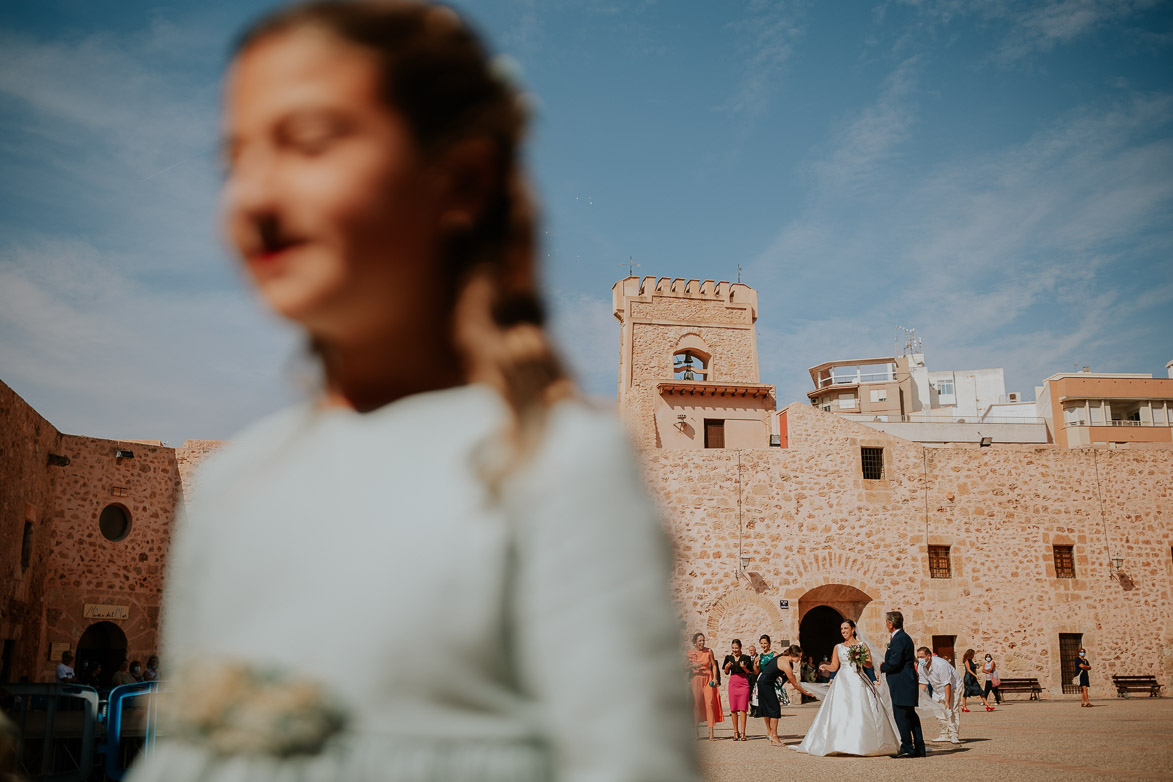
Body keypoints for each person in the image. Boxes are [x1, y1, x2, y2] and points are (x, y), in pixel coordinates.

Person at [126, 3, 701, 780]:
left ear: (461, 178)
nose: (254, 198)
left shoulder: (553, 465)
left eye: (307, 141)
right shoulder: (232, 482)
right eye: (234, 160)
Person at [791, 620, 900, 757]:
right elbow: (835, 666)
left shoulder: (862, 645)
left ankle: (862, 744)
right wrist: (826, 667)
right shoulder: (838, 647)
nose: (843, 631)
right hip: (842, 681)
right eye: (841, 629)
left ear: (853, 629)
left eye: (846, 628)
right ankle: (839, 743)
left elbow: (869, 664)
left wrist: (861, 659)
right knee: (841, 710)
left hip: (859, 680)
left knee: (861, 708)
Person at [880, 610, 925, 758]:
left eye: (887, 621)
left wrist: (883, 666)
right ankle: (919, 747)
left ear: (891, 624)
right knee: (910, 715)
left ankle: (907, 747)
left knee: (902, 715)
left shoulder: (899, 639)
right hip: (905, 681)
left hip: (902, 682)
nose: (886, 624)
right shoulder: (902, 637)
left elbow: (895, 662)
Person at [756, 644, 813, 746]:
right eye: (798, 657)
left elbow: (779, 673)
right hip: (765, 684)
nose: (800, 659)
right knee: (775, 708)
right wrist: (806, 693)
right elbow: (795, 684)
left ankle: (771, 734)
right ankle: (774, 736)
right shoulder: (786, 664)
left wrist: (788, 679)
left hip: (765, 683)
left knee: (772, 708)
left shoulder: (783, 657)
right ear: (792, 655)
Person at [917, 647, 963, 745]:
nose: (920, 659)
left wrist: (947, 701)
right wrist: (918, 697)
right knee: (938, 710)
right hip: (937, 689)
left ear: (928, 656)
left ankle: (954, 734)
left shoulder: (941, 665)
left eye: (922, 657)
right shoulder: (921, 666)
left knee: (951, 710)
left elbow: (947, 684)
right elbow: (923, 683)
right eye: (918, 657)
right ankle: (944, 733)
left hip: (953, 687)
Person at [687, 633, 723, 741]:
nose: (702, 643)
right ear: (695, 642)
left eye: (703, 640)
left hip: (708, 678)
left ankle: (711, 732)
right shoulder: (690, 653)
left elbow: (714, 664)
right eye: (700, 641)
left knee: (710, 703)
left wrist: (715, 678)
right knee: (697, 705)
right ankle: (695, 730)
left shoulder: (709, 651)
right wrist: (693, 666)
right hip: (696, 678)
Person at [722, 639, 752, 741]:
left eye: (736, 648)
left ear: (740, 647)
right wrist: (727, 667)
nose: (735, 650)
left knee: (743, 708)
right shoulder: (728, 658)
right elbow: (726, 672)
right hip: (733, 682)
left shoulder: (746, 658)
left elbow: (749, 672)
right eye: (733, 648)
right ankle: (735, 732)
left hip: (743, 682)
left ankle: (743, 732)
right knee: (733, 709)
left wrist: (743, 667)